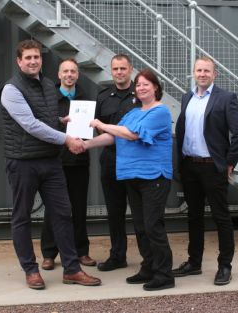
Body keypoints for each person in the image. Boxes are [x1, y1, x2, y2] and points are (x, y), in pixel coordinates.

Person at [0, 39, 101, 289]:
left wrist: (62, 120)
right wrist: (67, 138)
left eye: (37, 57)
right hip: (23, 163)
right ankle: (30, 270)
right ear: (19, 61)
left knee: (63, 214)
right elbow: (30, 124)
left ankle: (72, 269)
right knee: (22, 217)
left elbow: (44, 117)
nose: (33, 61)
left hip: (50, 161)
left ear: (41, 60)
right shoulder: (11, 89)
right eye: (28, 58)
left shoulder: (46, 85)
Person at [85, 68, 175, 291]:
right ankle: (148, 267)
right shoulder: (133, 113)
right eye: (139, 84)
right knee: (141, 226)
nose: (141, 87)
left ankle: (164, 274)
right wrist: (85, 144)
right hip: (132, 176)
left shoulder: (160, 111)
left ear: (155, 87)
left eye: (146, 84)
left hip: (154, 176)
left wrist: (101, 124)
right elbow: (113, 136)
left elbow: (132, 134)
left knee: (153, 226)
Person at [172, 56, 238, 286]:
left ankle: (225, 266)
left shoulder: (226, 98)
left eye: (207, 70)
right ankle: (194, 263)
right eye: (199, 70)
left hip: (213, 168)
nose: (202, 74)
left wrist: (229, 162)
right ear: (193, 73)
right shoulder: (187, 98)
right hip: (190, 166)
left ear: (215, 74)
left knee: (221, 217)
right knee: (194, 217)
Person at [40, 58, 96, 270]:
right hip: (55, 161)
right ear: (59, 75)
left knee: (79, 208)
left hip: (79, 161)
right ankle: (49, 253)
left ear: (78, 75)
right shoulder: (49, 99)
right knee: (53, 209)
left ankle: (82, 252)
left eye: (73, 71)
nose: (69, 75)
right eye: (66, 71)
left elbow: (91, 131)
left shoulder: (85, 101)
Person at [94, 54, 138, 271]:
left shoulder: (140, 95)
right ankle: (118, 256)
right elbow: (95, 128)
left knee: (139, 211)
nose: (119, 72)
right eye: (115, 69)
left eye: (123, 68)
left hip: (135, 160)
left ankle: (148, 257)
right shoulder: (103, 97)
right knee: (115, 211)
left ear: (130, 69)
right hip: (110, 159)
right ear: (111, 71)